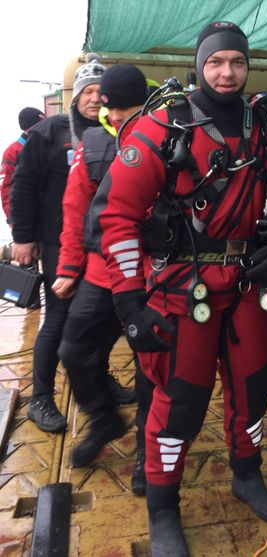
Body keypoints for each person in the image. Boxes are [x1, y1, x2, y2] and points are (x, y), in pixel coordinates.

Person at [89, 21, 267, 557]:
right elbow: (115, 216)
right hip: (179, 289)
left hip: (250, 285)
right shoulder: (162, 126)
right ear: (199, 65)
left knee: (254, 393)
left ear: (247, 66)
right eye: (216, 62)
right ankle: (163, 507)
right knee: (179, 404)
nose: (227, 72)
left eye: (237, 62)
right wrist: (129, 303)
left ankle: (247, 474)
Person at [10, 53, 133, 433]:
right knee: (58, 319)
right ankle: (41, 397)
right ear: (75, 96)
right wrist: (22, 237)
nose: (94, 98)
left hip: (100, 247)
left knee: (101, 321)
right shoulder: (50, 132)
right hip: (56, 241)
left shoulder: (118, 132)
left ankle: (100, 380)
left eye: (100, 92)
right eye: (87, 91)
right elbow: (22, 184)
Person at [52, 64, 152, 494]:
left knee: (152, 368)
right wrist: (68, 268)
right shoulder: (92, 145)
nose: (114, 115)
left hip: (153, 276)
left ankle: (150, 449)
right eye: (111, 108)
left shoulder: (168, 136)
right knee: (74, 350)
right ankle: (104, 417)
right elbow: (74, 210)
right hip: (101, 273)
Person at [0, 107, 45, 224]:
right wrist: (12, 218)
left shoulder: (48, 145)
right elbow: (6, 188)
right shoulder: (12, 152)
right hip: (25, 216)